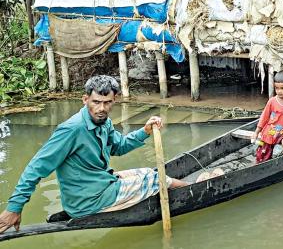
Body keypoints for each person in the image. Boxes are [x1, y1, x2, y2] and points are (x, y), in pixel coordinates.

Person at [0, 75, 188, 233]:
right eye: (96, 102)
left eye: (107, 103)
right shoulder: (71, 130)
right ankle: (193, 187)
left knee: (148, 172)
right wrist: (14, 207)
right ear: (85, 100)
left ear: (114, 100)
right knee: (156, 178)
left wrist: (144, 131)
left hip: (101, 184)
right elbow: (37, 167)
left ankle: (184, 186)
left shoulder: (103, 122)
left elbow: (118, 147)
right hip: (87, 201)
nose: (101, 109)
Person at [254, 70, 283, 163]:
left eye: (282, 88)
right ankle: (262, 161)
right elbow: (264, 117)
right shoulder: (272, 101)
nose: (279, 91)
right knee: (264, 146)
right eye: (276, 88)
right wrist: (256, 132)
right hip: (272, 129)